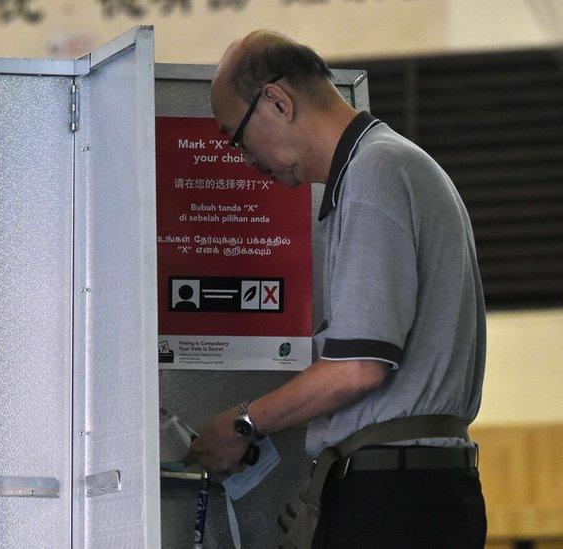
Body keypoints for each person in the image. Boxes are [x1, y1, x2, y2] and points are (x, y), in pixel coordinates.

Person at [188, 30, 487, 548]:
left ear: (277, 102)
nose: (245, 161)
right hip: (413, 491)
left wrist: (244, 424)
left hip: (394, 500)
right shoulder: (388, 168)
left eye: (235, 137)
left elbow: (358, 366)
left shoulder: (376, 171)